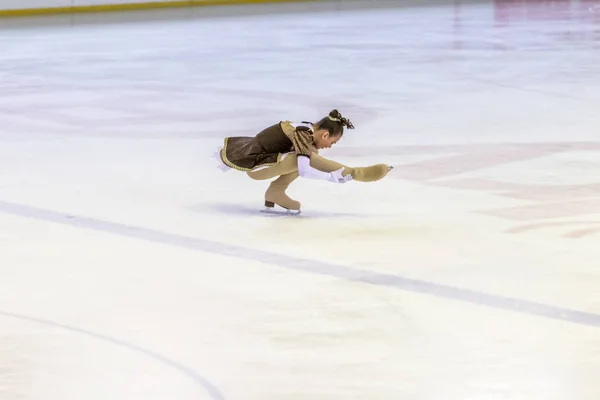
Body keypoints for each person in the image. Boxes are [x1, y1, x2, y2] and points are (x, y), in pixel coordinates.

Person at [216, 109, 392, 214]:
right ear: (324, 135)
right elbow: (304, 170)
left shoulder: (306, 129)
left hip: (263, 162)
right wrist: (330, 177)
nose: (330, 146)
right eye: (332, 142)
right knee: (303, 157)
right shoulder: (303, 133)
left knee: (307, 154)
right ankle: (355, 173)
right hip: (256, 167)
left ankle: (275, 193)